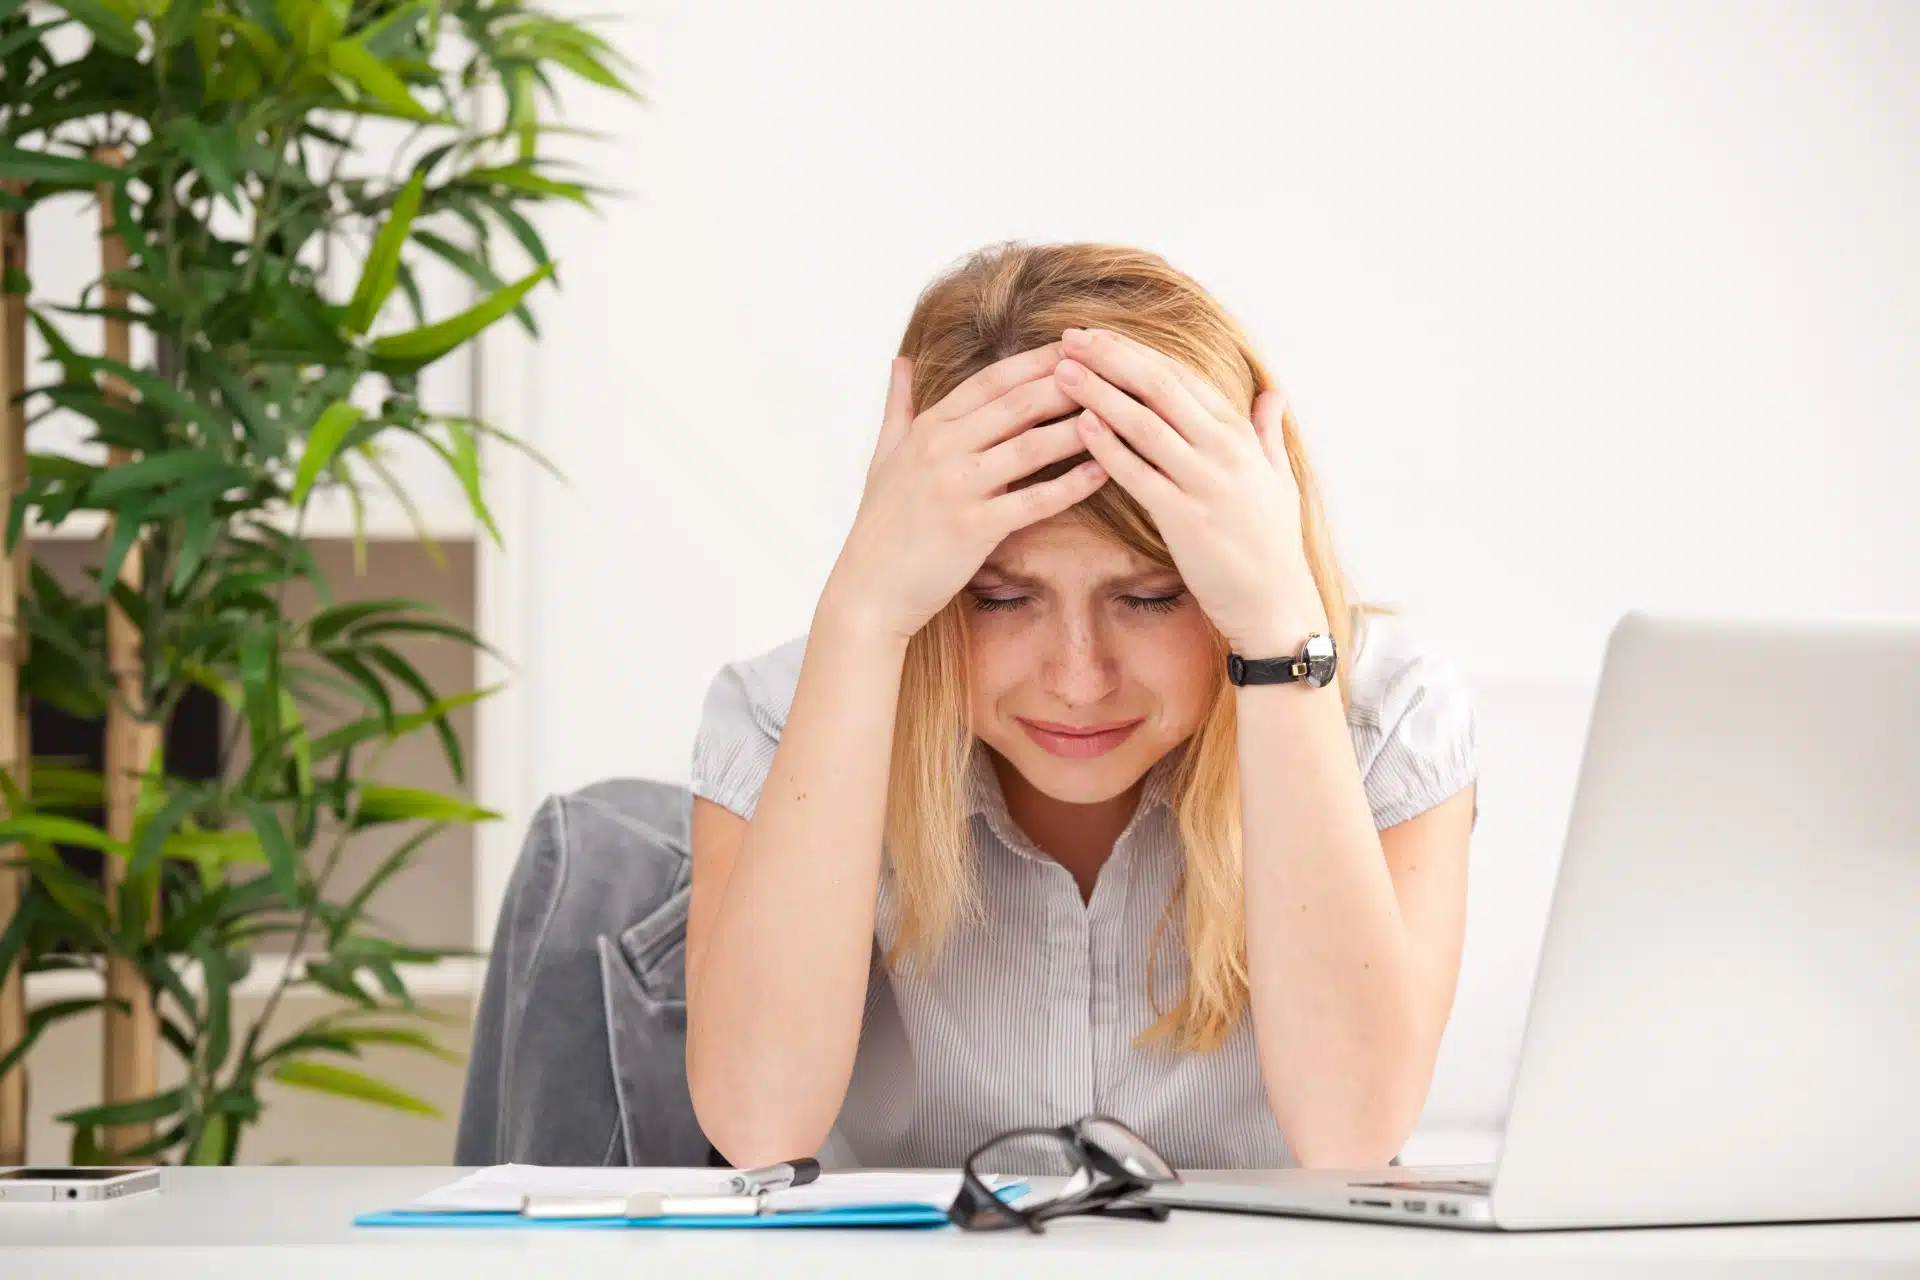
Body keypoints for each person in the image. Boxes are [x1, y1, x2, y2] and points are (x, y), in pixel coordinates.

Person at [685, 241, 1478, 1174]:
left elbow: (1352, 1138)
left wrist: (1276, 627)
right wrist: (861, 616)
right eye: (1000, 598)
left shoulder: (1383, 719)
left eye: (1149, 598)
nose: (1077, 678)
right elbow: (757, 1130)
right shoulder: (779, 718)